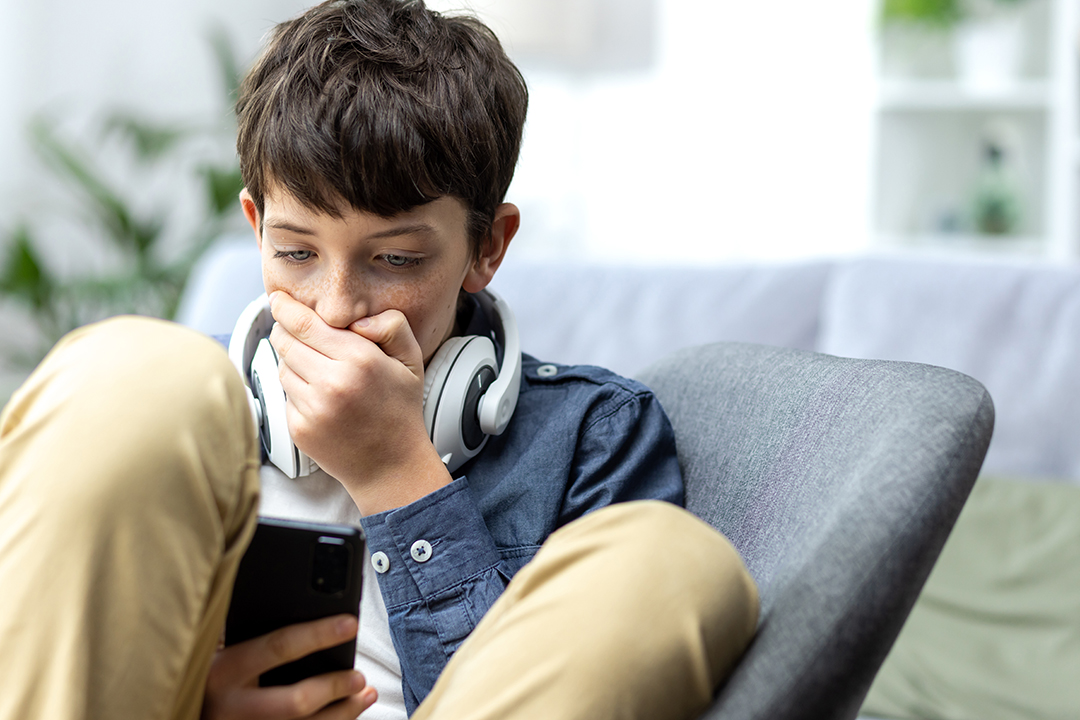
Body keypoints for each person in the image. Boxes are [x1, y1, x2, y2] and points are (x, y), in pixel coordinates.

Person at [0, 2, 759, 719]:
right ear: (253, 224)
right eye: (295, 252)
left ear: (487, 246)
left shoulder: (594, 438)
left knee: (673, 562)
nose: (334, 308)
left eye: (394, 259)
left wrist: (398, 474)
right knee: (134, 374)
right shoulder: (149, 422)